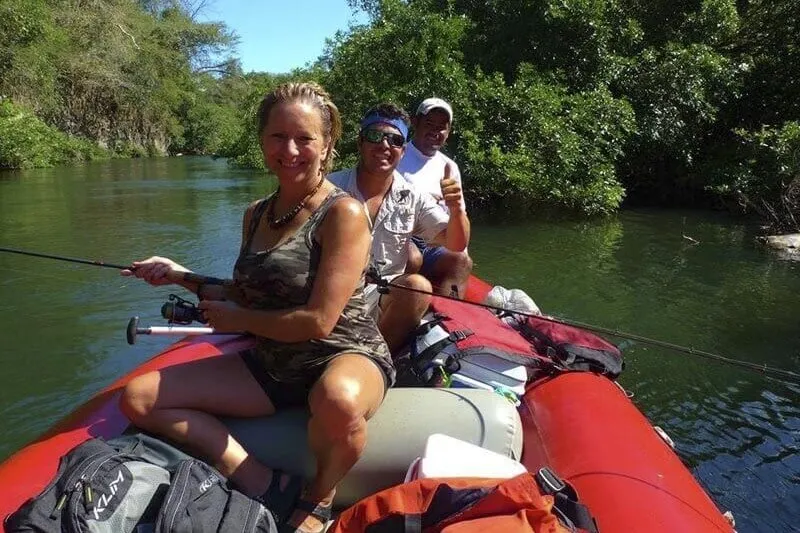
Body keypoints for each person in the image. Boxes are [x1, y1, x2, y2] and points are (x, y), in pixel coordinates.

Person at [119, 82, 394, 533]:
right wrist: (176, 273)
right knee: (139, 398)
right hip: (273, 362)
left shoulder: (344, 214)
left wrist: (240, 320)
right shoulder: (255, 213)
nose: (290, 150)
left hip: (345, 353)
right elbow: (247, 293)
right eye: (277, 136)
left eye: (305, 138)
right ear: (262, 140)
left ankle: (318, 496)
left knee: (337, 399)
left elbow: (319, 321)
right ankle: (258, 478)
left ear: (327, 146)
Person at [328, 103, 469, 353]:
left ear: (403, 151)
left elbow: (456, 244)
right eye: (375, 136)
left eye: (394, 140)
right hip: (329, 294)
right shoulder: (328, 187)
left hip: (380, 297)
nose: (384, 145)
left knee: (418, 287)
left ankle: (378, 358)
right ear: (360, 142)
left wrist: (456, 209)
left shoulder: (413, 196)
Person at [397, 97, 473, 296]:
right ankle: (396, 306)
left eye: (442, 127)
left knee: (462, 261)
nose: (435, 131)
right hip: (401, 237)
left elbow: (458, 216)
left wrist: (458, 248)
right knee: (413, 257)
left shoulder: (449, 167)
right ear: (415, 122)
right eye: (429, 124)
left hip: (436, 242)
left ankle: (448, 316)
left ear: (448, 132)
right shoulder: (396, 155)